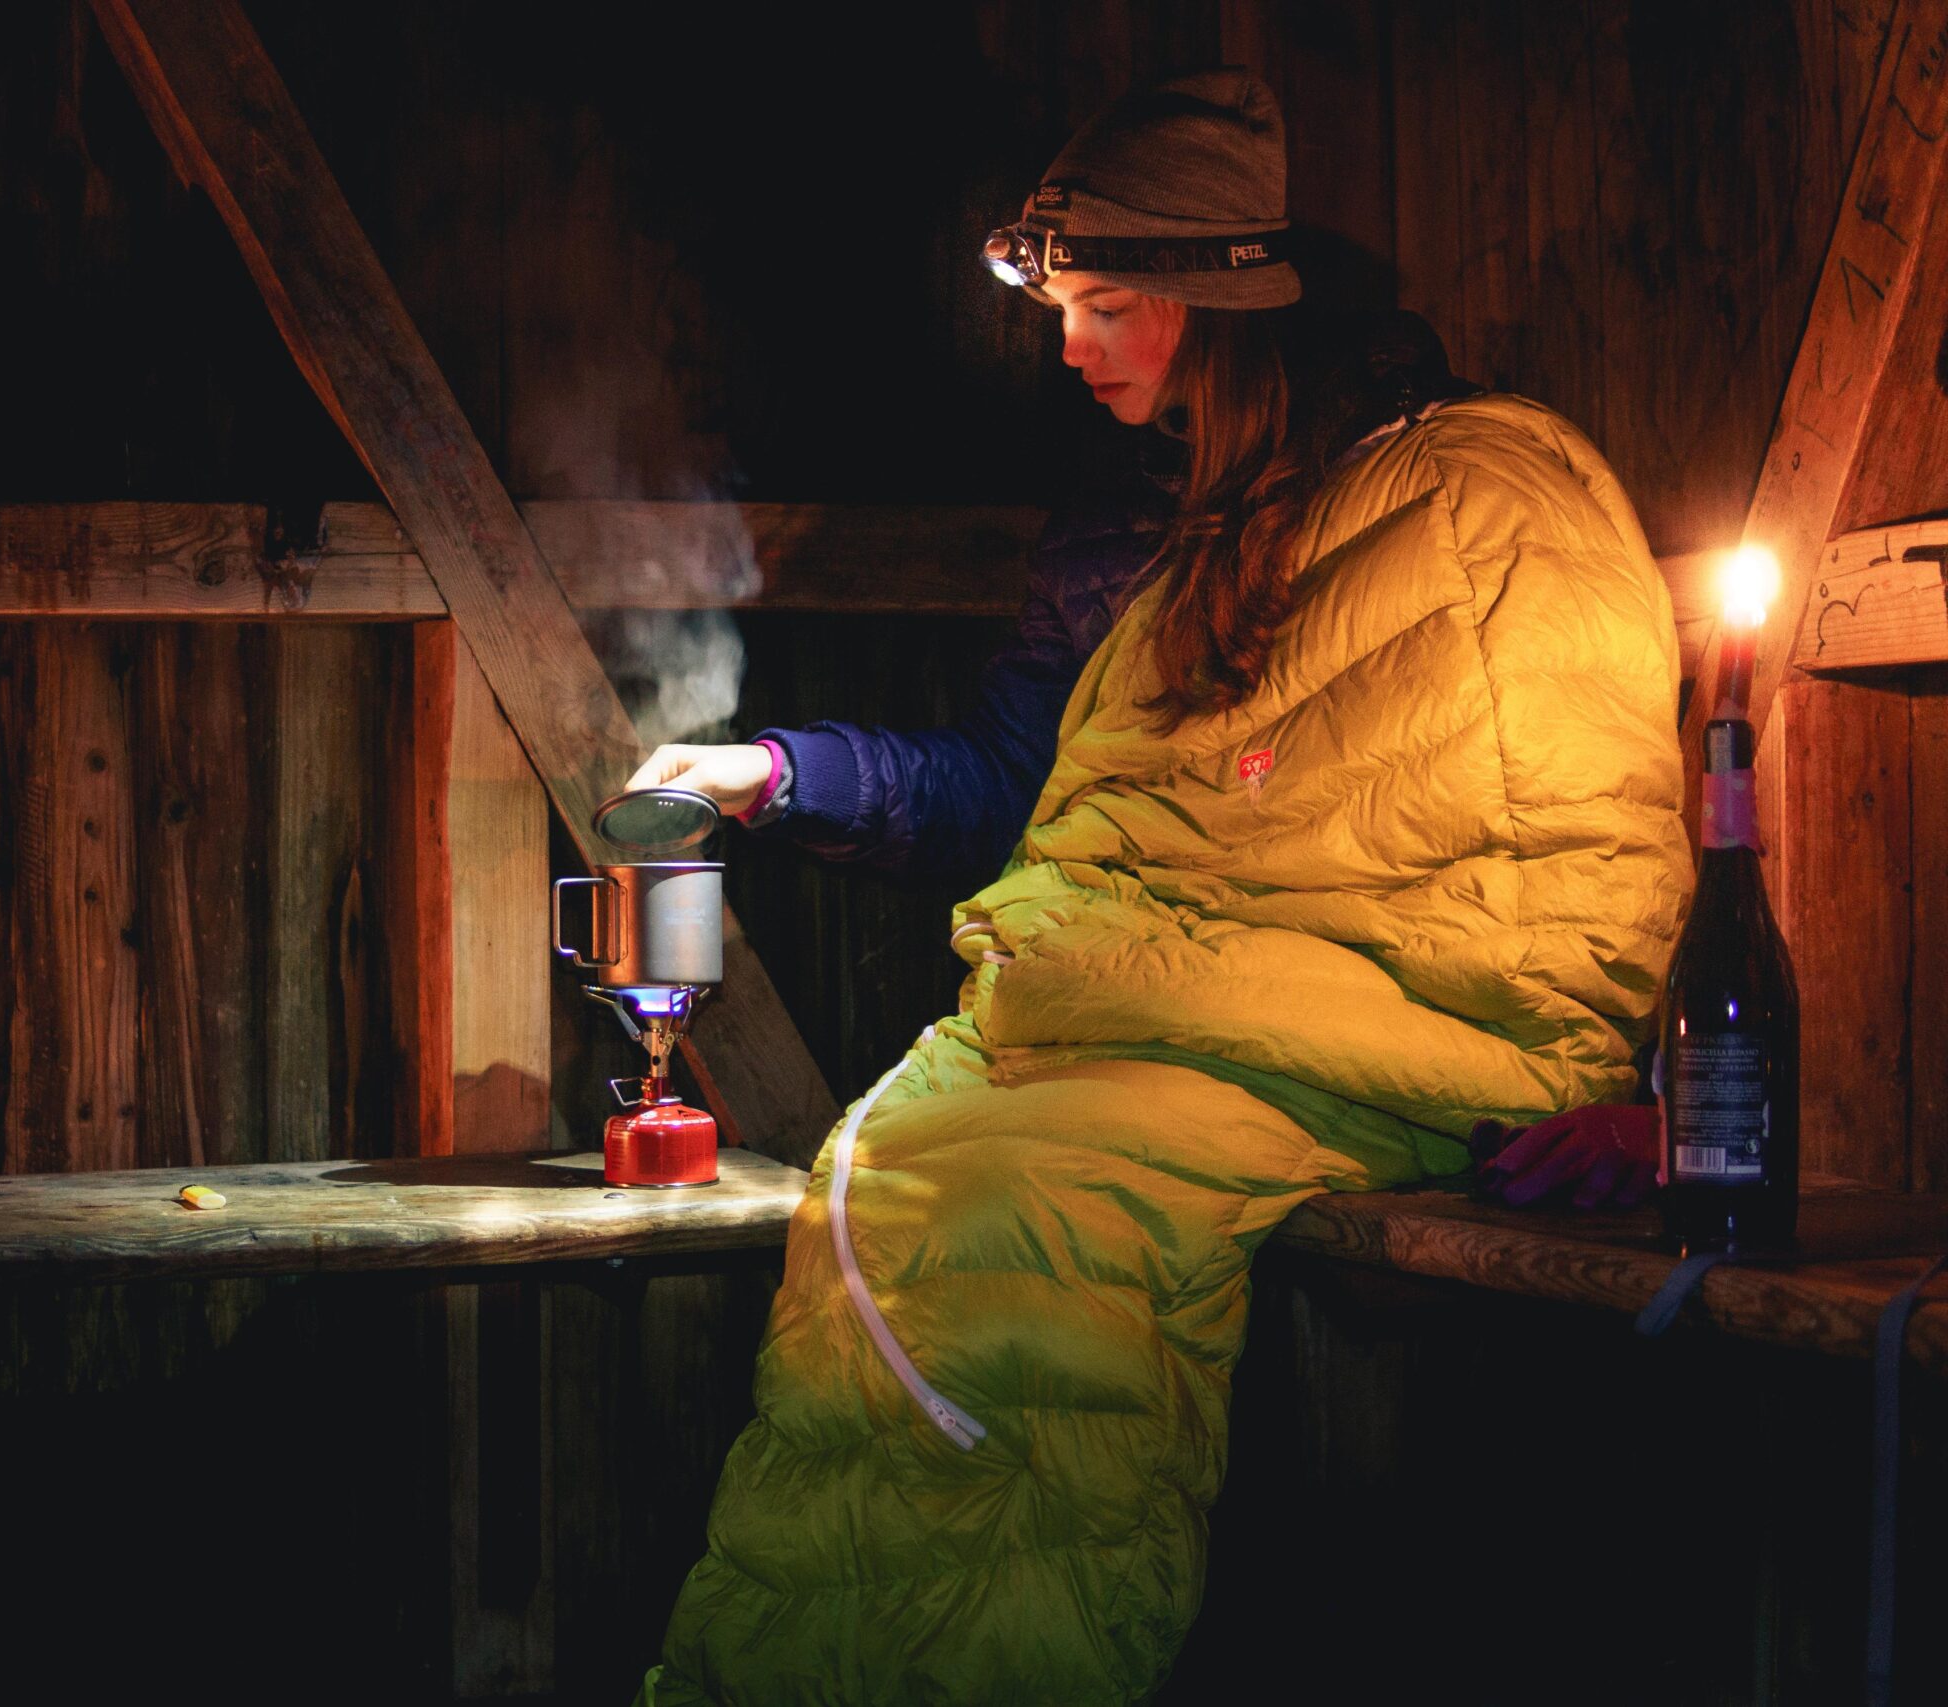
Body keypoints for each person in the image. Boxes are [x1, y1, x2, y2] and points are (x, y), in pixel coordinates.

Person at [635, 69, 1692, 1705]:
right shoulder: (1154, 525)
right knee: (900, 1172)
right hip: (1150, 1000)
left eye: (1109, 304)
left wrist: (1586, 1046)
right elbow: (1032, 785)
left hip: (1345, 1020)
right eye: (1063, 305)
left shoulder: (1467, 498)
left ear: (1226, 305)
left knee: (1017, 1217)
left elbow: (1532, 838)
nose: (1072, 347)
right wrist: (782, 773)